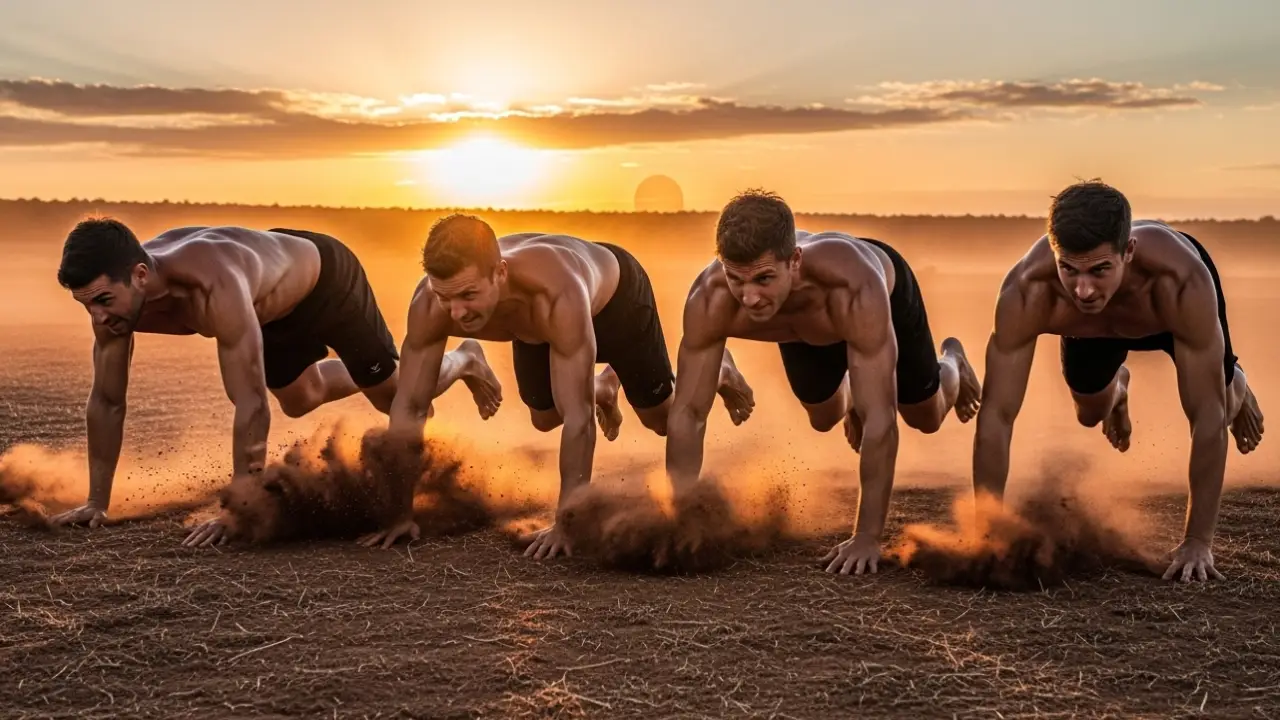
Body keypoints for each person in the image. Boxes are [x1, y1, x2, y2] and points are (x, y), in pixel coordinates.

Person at [359, 213, 755, 555]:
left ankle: (717, 370)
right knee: (545, 419)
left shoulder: (554, 293)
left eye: (468, 295)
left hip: (616, 301)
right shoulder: (431, 303)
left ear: (500, 273)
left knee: (663, 419)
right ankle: (604, 385)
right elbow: (409, 406)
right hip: (534, 327)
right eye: (446, 298)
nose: (457, 312)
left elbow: (580, 419)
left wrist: (568, 520)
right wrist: (400, 513)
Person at [665, 189, 983, 575]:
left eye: (764, 279)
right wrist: (678, 521)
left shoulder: (854, 287)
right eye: (737, 279)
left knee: (926, 416)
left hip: (881, 298)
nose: (749, 298)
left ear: (794, 260)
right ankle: (854, 384)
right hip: (803, 327)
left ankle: (952, 362)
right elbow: (689, 411)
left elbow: (881, 418)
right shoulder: (709, 298)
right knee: (823, 417)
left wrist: (867, 536)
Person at [47, 218, 420, 547]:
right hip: (266, 309)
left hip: (326, 281)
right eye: (86, 305)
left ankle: (456, 363)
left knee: (392, 397)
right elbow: (108, 402)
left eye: (103, 300)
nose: (96, 315)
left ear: (140, 275)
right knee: (302, 398)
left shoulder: (213, 285)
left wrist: (242, 509)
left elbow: (250, 402)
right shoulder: (113, 311)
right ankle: (367, 372)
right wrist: (97, 501)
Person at [972, 179, 1265, 582]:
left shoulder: (1181, 281)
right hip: (1090, 330)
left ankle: (1235, 379)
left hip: (1162, 314)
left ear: (1128, 251)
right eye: (1068, 269)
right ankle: (1118, 388)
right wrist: (987, 531)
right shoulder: (1028, 290)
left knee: (1222, 402)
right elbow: (997, 415)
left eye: (1099, 269)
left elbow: (1205, 418)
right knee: (1088, 414)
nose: (1083, 289)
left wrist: (1198, 541)